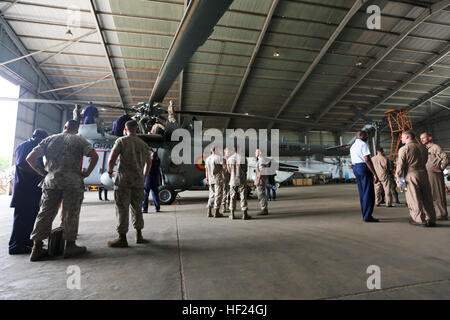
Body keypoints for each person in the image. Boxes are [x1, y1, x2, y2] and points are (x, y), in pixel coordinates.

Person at [26, 120, 99, 261]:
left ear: (64, 127)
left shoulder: (49, 139)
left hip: (51, 181)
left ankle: (37, 247)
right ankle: (70, 246)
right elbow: (94, 156)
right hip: (72, 183)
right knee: (71, 213)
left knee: (45, 213)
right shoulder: (79, 140)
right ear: (76, 130)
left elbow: (30, 158)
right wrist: (87, 173)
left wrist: (42, 171)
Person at [107, 120, 152, 247]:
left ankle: (122, 238)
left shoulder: (121, 141)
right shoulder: (144, 144)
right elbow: (149, 162)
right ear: (136, 129)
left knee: (122, 209)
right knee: (137, 208)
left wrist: (110, 172)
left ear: (125, 129)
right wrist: (144, 176)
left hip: (123, 181)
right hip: (138, 182)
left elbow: (112, 158)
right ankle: (139, 235)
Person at [8, 130, 48, 255]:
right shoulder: (25, 146)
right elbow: (21, 164)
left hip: (32, 189)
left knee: (31, 217)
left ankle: (26, 242)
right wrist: (41, 172)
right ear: (36, 137)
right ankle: (15, 245)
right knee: (21, 218)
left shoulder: (35, 147)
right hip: (24, 189)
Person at [396, 131, 436, 227]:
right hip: (424, 174)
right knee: (427, 197)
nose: (401, 139)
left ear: (407, 137)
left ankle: (419, 219)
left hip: (411, 174)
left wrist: (398, 178)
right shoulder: (423, 147)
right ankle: (431, 219)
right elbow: (425, 160)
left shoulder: (404, 149)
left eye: (402, 137)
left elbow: (400, 165)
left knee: (414, 198)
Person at [350, 130, 379, 222]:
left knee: (362, 193)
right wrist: (375, 174)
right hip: (363, 167)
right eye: (366, 136)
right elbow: (367, 160)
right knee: (368, 193)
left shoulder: (352, 146)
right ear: (361, 136)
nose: (367, 138)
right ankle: (367, 216)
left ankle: (365, 214)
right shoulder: (363, 144)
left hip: (356, 168)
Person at [420, 132, 449, 221]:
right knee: (429, 194)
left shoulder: (435, 147)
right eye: (421, 138)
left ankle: (442, 214)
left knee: (437, 194)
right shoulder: (424, 149)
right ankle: (434, 213)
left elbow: (446, 158)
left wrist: (440, 169)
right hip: (425, 173)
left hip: (434, 174)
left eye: (424, 138)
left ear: (429, 138)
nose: (422, 140)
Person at [227, 146, 251, 220]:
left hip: (233, 180)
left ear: (234, 150)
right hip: (242, 179)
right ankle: (244, 214)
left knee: (232, 196)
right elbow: (246, 170)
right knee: (243, 196)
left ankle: (232, 214)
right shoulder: (243, 158)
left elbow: (229, 171)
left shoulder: (229, 159)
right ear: (240, 149)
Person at [205, 146, 224, 218]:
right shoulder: (218, 158)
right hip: (217, 179)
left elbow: (206, 170)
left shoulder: (207, 159)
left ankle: (209, 211)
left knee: (211, 195)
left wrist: (207, 179)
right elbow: (224, 166)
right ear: (215, 150)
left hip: (210, 179)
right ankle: (216, 212)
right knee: (218, 195)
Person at [255, 149, 269, 215]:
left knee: (261, 194)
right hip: (262, 179)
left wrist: (258, 180)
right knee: (262, 193)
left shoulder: (261, 160)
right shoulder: (261, 160)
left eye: (256, 151)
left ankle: (264, 209)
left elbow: (261, 170)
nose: (255, 153)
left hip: (261, 180)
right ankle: (264, 208)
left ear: (260, 153)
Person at [220, 148, 231, 214]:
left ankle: (228, 204)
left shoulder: (231, 159)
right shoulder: (222, 159)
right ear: (224, 152)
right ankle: (223, 205)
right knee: (224, 192)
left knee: (229, 192)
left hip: (230, 178)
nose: (229, 152)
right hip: (224, 178)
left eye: (229, 151)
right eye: (227, 151)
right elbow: (222, 167)